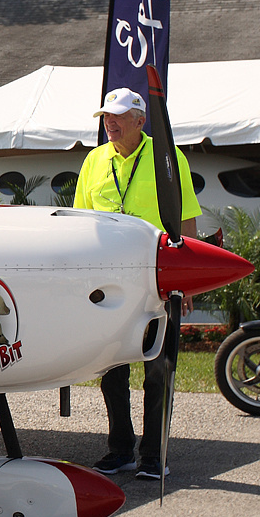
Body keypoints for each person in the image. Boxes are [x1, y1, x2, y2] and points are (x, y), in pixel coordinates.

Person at [73, 88, 199, 481]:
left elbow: (188, 220)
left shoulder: (167, 157)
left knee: (158, 370)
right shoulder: (94, 160)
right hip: (108, 283)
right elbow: (80, 221)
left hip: (156, 281)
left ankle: (152, 455)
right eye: (106, 117)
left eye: (119, 117)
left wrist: (189, 280)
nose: (110, 122)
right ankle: (120, 449)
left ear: (140, 121)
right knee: (111, 370)